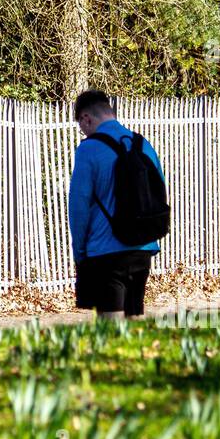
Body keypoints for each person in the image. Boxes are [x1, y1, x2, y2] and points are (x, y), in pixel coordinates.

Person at [68, 89, 165, 320]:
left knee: (111, 330)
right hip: (142, 248)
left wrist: (80, 252)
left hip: (105, 252)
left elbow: (78, 207)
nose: (83, 130)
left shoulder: (89, 149)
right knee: (133, 322)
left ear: (86, 118)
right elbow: (159, 191)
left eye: (81, 125)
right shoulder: (142, 144)